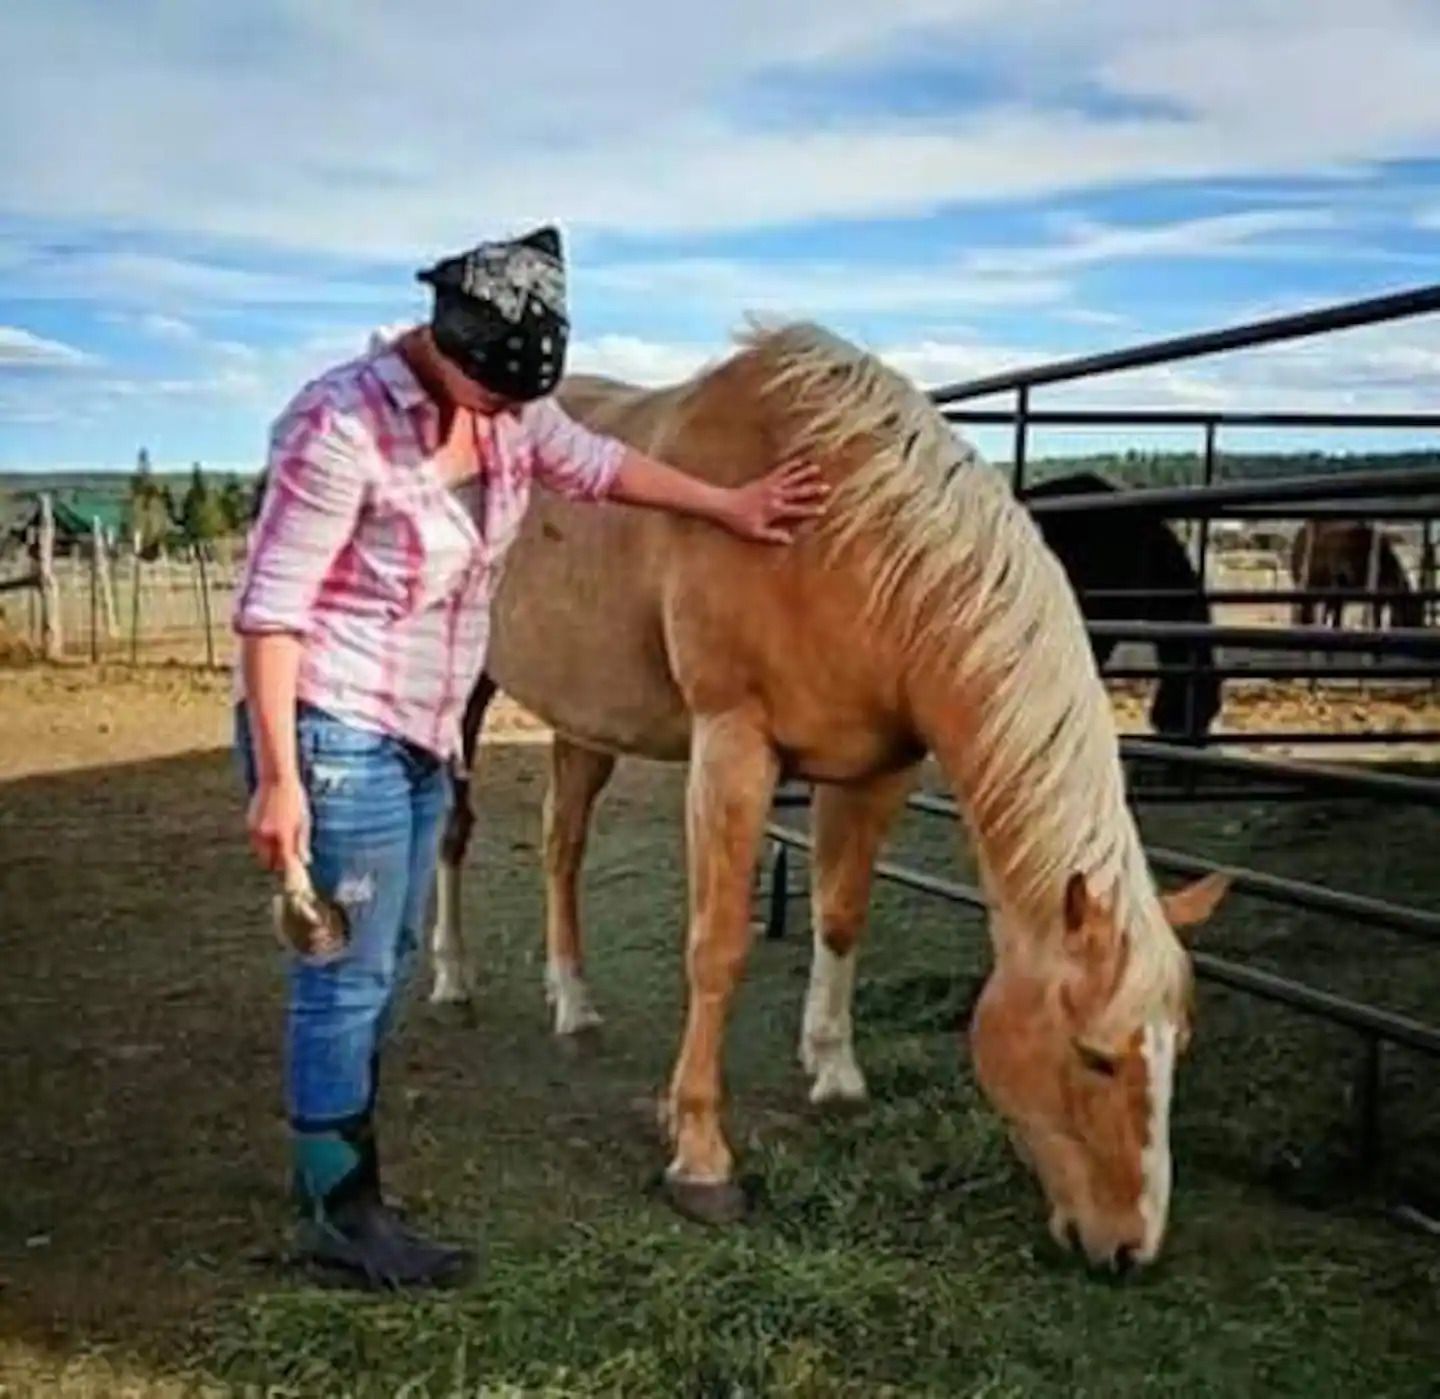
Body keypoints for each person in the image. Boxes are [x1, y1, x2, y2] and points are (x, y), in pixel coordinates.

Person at [232, 225, 827, 1289]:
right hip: (338, 725)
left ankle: (338, 1155)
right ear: (448, 348)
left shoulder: (509, 409)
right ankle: (338, 1204)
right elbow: (272, 615)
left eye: (523, 405)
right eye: (499, 399)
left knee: (389, 960)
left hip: (421, 725)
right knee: (345, 969)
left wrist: (727, 503)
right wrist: (280, 775)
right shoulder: (342, 427)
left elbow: (601, 464)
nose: (513, 421)